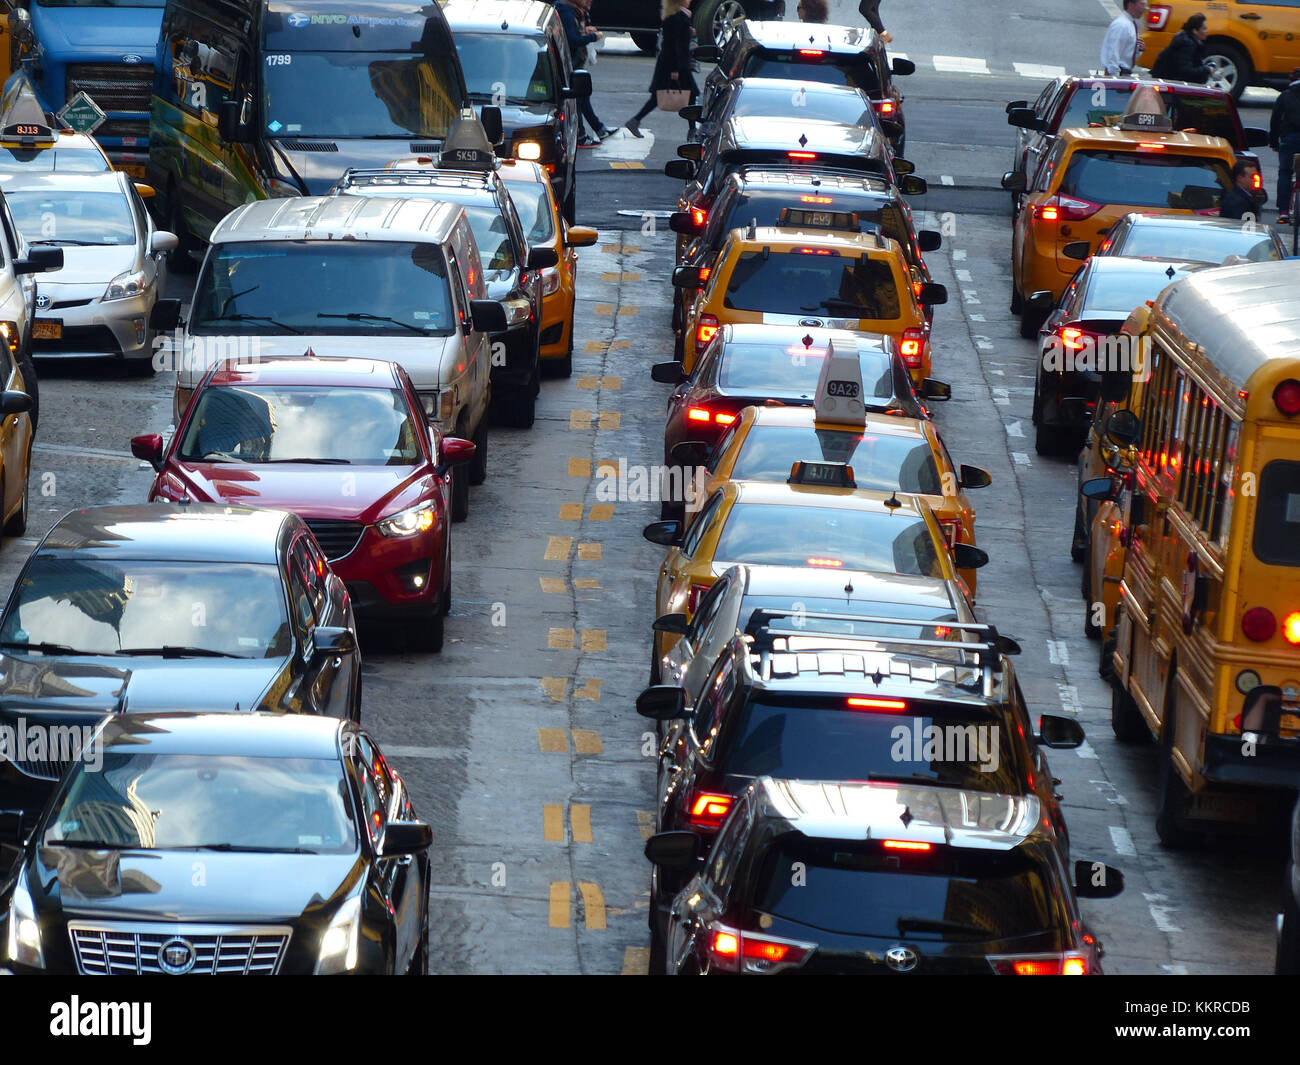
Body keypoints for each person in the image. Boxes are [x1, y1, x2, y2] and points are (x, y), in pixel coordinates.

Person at [623, 0, 697, 138]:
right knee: (688, 95)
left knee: (661, 96)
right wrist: (675, 69)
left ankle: (635, 121)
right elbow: (673, 45)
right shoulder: (677, 17)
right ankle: (692, 131)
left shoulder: (677, 15)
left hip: (672, 63)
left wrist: (688, 31)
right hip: (675, 64)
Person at [555, 0, 610, 143]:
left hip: (574, 62)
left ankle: (598, 129)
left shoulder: (572, 10)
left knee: (582, 98)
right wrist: (593, 37)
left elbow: (572, 33)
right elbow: (573, 40)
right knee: (578, 98)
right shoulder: (567, 12)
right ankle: (581, 135)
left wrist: (585, 31)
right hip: (571, 63)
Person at [1270, 67, 1300, 224]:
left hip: (1289, 139)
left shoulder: (1285, 96)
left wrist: (1273, 142)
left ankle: (1283, 212)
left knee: (1285, 173)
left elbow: (1275, 120)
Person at [1149, 13, 1212, 83]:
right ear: (1195, 31)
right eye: (1204, 29)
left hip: (1165, 77)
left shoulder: (1187, 39)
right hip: (1168, 80)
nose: (1207, 31)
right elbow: (1186, 70)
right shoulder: (1187, 44)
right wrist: (1207, 69)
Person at [1100, 0, 1147, 76]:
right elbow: (1113, 53)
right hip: (1118, 74)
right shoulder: (1121, 25)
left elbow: (1127, 54)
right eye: (1142, 4)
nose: (1145, 8)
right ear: (1131, 5)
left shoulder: (1130, 24)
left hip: (1124, 73)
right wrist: (1115, 77)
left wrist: (1138, 49)